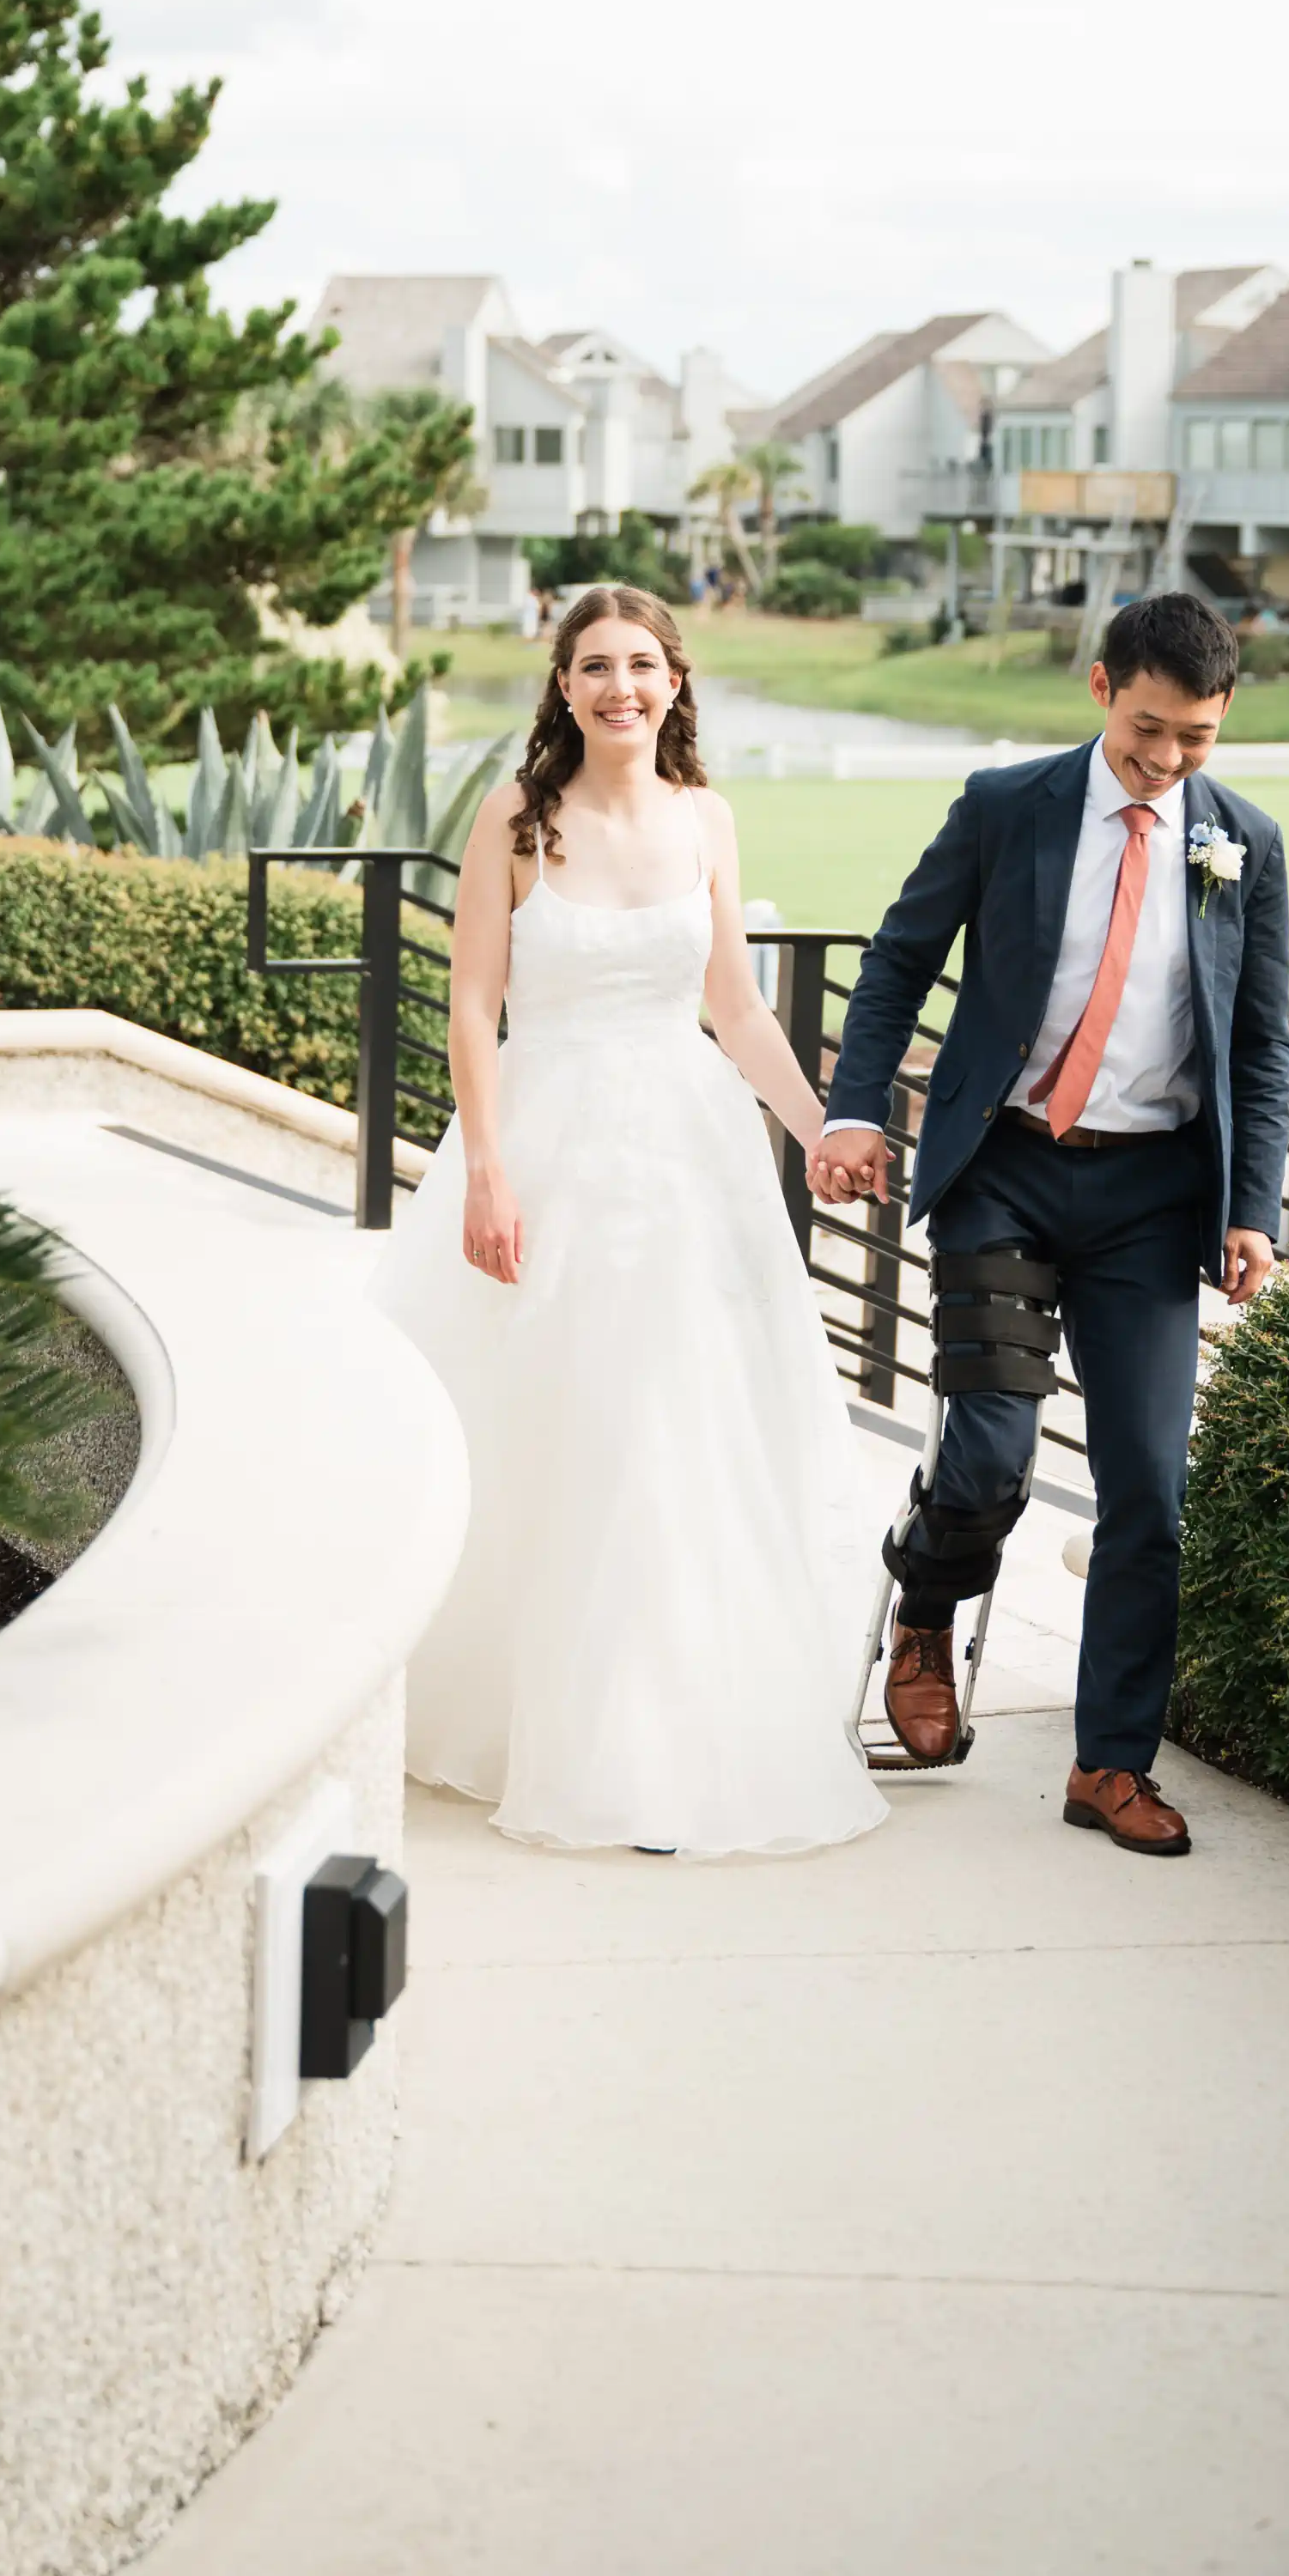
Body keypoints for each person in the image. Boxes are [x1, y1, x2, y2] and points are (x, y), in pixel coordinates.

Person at [373, 583, 885, 1862]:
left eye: (641, 665)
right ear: (562, 686)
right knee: (550, 1433)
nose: (620, 686)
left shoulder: (709, 817)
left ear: (674, 681)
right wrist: (487, 1172)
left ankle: (658, 1735)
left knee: (677, 1434)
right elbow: (472, 1007)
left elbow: (739, 1009)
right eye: (595, 665)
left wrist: (820, 1127)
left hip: (686, 1160)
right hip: (545, 1153)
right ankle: (521, 1720)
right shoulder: (515, 818)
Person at [812, 594, 1289, 1859]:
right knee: (989, 1452)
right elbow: (899, 963)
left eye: (1197, 736)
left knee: (1150, 1491)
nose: (1169, 760)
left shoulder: (1246, 842)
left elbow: (1257, 1048)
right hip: (1005, 1172)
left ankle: (1108, 1768)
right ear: (1098, 689)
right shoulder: (1003, 807)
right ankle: (928, 1604)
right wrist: (856, 1111)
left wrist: (1255, 1212)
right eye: (1148, 729)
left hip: (1149, 1201)